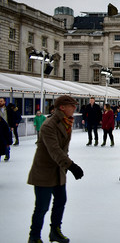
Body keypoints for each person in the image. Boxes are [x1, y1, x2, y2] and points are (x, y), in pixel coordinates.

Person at [27, 95, 84, 243]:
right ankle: (34, 237)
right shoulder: (49, 125)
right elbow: (55, 150)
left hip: (59, 170)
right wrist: (71, 166)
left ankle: (55, 231)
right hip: (44, 172)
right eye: (72, 105)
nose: (74, 108)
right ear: (62, 107)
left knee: (60, 202)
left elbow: (63, 150)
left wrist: (66, 166)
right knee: (42, 207)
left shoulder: (66, 122)